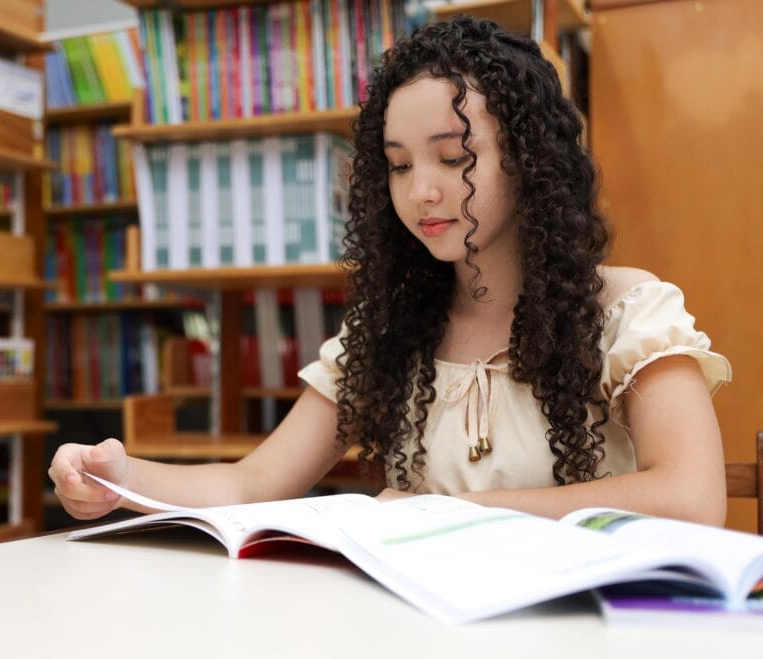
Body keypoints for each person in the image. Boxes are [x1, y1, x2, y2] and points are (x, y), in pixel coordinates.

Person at [49, 16, 731, 525]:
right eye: (400, 165)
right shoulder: (390, 330)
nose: (421, 191)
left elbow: (691, 499)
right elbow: (251, 483)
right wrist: (120, 476)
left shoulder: (625, 308)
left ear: (527, 161)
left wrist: (456, 513)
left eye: (454, 156)